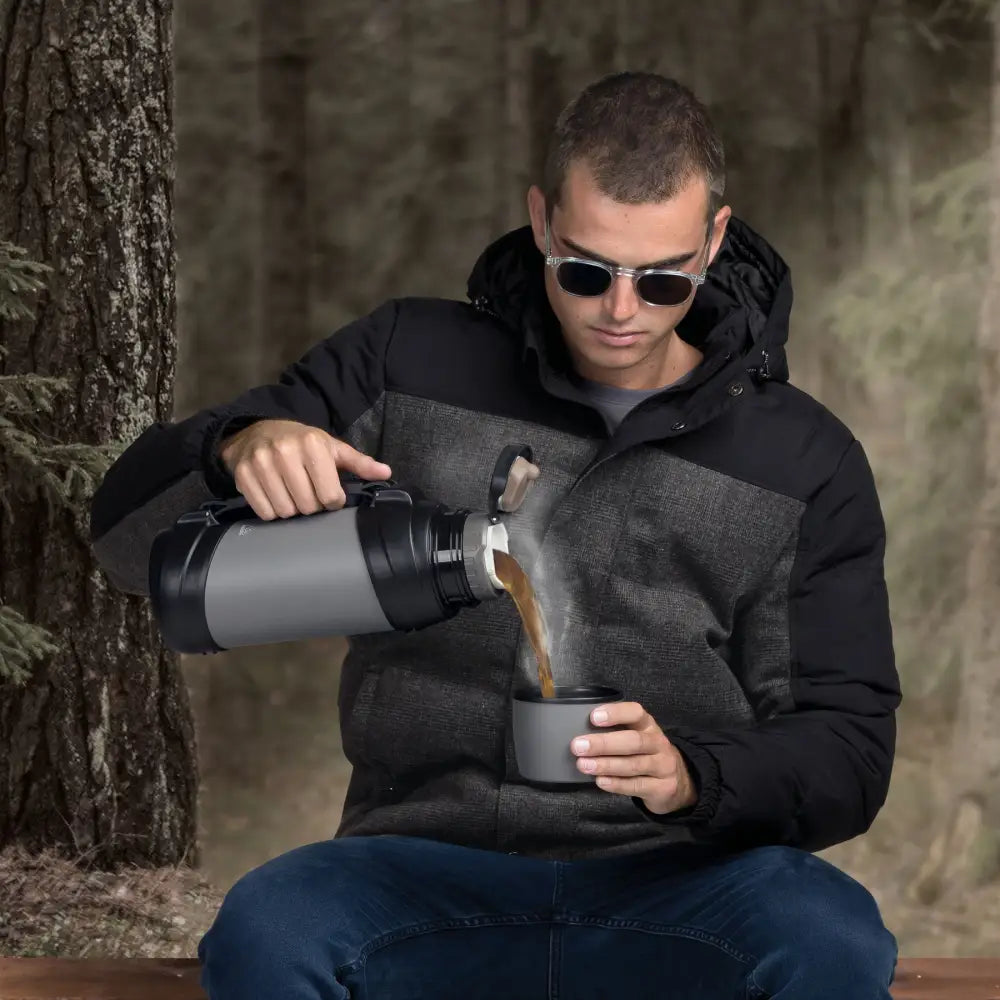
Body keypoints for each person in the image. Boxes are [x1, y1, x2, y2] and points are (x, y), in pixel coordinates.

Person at [90, 72, 901, 999]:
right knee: (272, 928)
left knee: (829, 938)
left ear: (715, 240)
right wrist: (234, 447)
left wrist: (694, 776)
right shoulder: (407, 362)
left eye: (665, 279)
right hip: (416, 873)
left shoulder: (803, 460)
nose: (621, 310)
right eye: (588, 270)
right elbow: (123, 549)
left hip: (683, 882)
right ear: (544, 222)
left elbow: (849, 750)